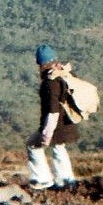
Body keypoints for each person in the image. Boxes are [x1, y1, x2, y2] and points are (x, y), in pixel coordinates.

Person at [27, 44, 79, 190]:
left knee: (33, 145)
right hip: (68, 122)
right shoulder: (65, 74)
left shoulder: (50, 83)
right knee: (59, 148)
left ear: (41, 64)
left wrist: (46, 134)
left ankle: (43, 180)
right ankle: (66, 181)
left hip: (56, 124)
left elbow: (53, 111)